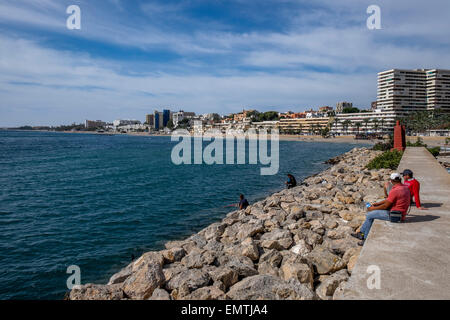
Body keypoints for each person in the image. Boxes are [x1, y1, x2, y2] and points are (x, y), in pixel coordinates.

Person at [351, 173, 410, 246]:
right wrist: (378, 204)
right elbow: (389, 200)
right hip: (400, 213)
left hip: (395, 215)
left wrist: (372, 208)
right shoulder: (405, 187)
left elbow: (385, 206)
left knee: (369, 215)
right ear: (400, 179)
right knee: (372, 214)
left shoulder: (395, 190)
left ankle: (365, 239)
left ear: (391, 180)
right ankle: (361, 233)